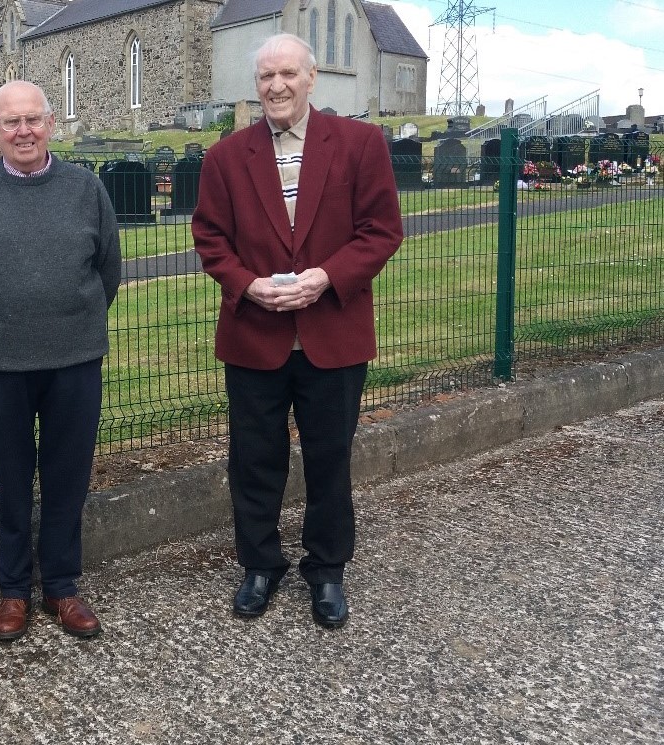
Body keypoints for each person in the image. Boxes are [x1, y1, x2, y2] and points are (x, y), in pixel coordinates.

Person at [191, 34, 403, 629]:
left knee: (330, 458)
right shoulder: (226, 158)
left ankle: (327, 569)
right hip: (255, 336)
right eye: (265, 76)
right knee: (254, 460)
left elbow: (381, 230)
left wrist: (327, 277)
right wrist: (247, 285)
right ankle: (260, 565)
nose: (276, 85)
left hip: (332, 333)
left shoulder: (359, 144)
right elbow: (210, 238)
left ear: (312, 78)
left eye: (287, 73)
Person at [0, 80, 122, 642]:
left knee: (68, 476)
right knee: (11, 479)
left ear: (51, 125)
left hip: (74, 360)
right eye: (11, 122)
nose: (24, 131)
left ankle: (61, 586)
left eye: (33, 120)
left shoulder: (86, 189)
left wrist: (71, 321)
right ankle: (13, 589)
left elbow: (108, 271)